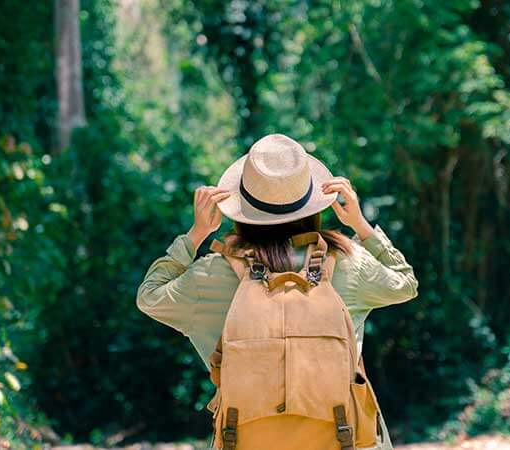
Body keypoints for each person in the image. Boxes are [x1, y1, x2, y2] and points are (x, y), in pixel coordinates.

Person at [136, 134, 419, 449]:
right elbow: (405, 283)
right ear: (312, 201)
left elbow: (150, 295)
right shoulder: (348, 262)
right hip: (344, 439)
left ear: (242, 206)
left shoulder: (211, 274)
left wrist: (196, 233)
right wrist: (362, 226)